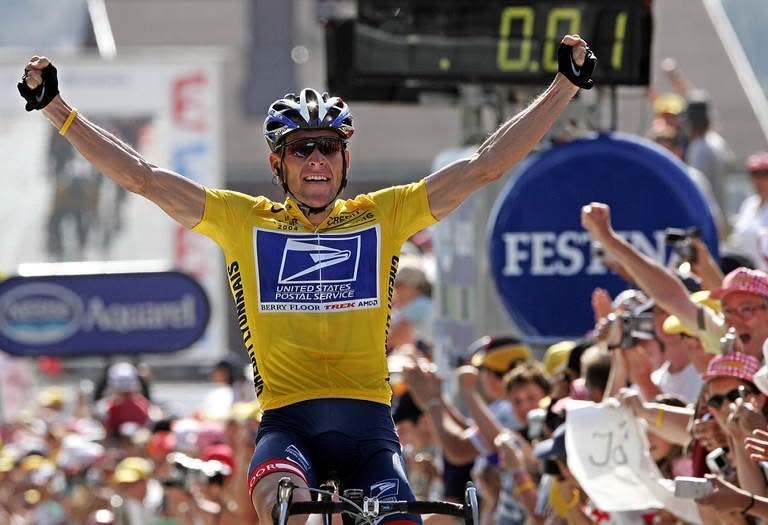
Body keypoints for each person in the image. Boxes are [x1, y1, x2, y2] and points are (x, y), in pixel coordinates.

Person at [18, 35, 596, 524]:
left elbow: (485, 164)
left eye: (328, 147)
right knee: (282, 504)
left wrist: (564, 86)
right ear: (278, 163)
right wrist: (56, 109)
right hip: (288, 423)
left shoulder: (384, 214)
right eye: (301, 149)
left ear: (344, 160)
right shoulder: (244, 220)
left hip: (371, 426)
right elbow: (143, 178)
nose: (316, 159)